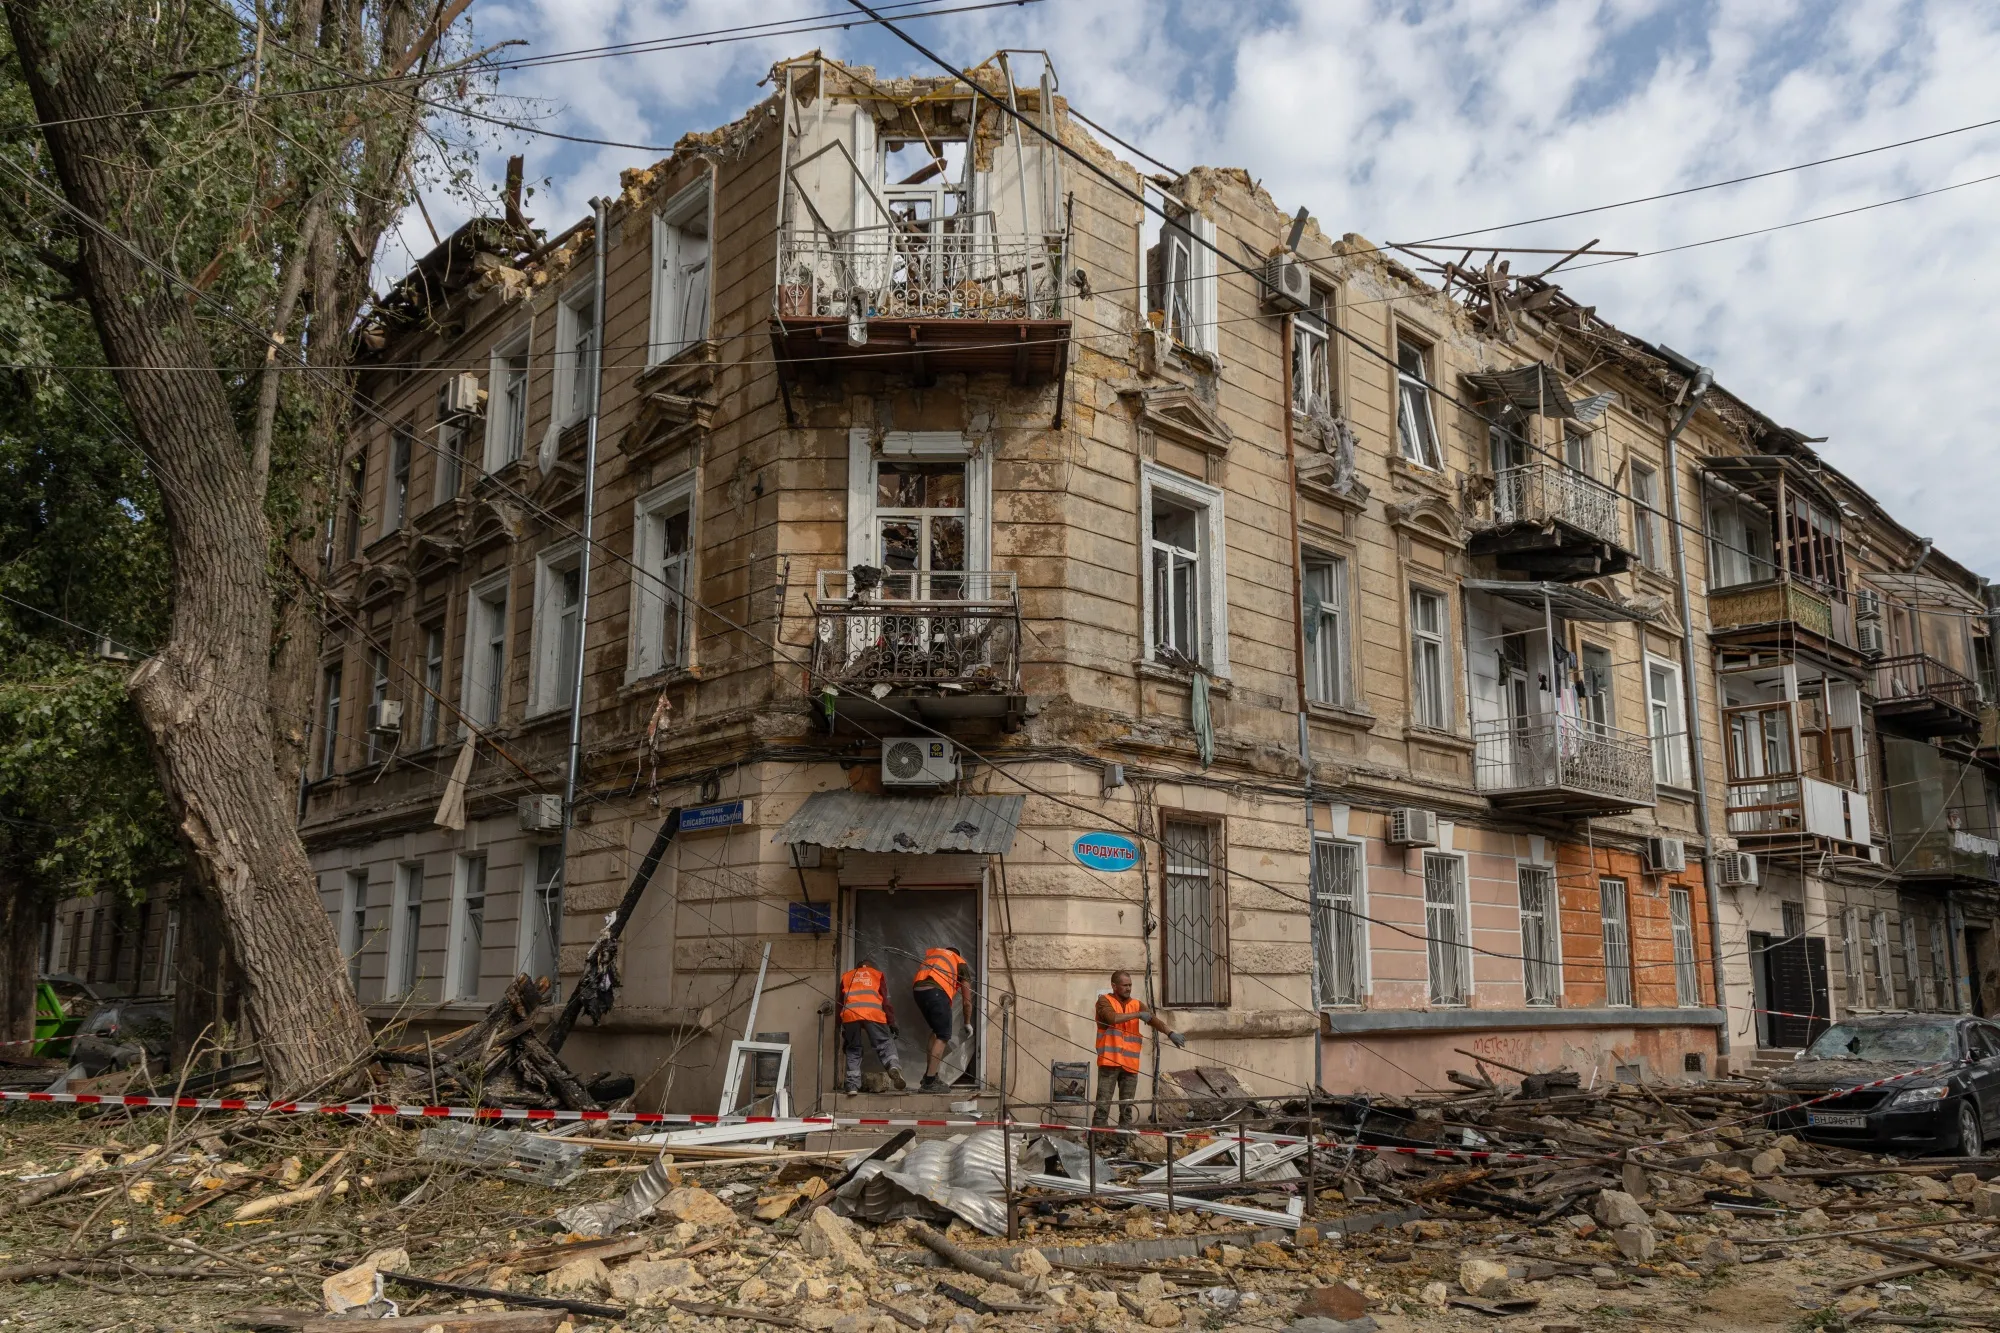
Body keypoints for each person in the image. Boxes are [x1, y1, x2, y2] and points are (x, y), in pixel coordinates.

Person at [1093, 970, 1184, 1128]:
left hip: (1130, 1065)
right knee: (1102, 1108)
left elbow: (1153, 1019)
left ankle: (1122, 1146)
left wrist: (1170, 1033)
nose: (1128, 988)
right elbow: (1112, 1019)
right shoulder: (1104, 1001)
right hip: (1109, 1063)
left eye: (1130, 985)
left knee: (1127, 1109)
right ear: (1114, 986)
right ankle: (1097, 1146)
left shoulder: (1136, 1004)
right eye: (1124, 985)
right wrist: (1137, 1015)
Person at [838, 957, 905, 1095]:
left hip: (850, 1015)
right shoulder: (876, 975)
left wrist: (841, 1027)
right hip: (873, 1013)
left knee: (853, 1048)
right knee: (885, 1042)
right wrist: (892, 1022)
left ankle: (852, 1086)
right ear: (872, 967)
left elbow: (840, 1002)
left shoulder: (847, 976)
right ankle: (893, 1066)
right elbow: (885, 1002)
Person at [911, 943, 972, 1093]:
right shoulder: (960, 962)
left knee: (936, 1031)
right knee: (943, 1035)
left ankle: (929, 1076)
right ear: (957, 954)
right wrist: (967, 1022)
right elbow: (967, 1002)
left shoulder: (934, 957)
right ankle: (930, 1082)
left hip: (918, 992)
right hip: (936, 992)